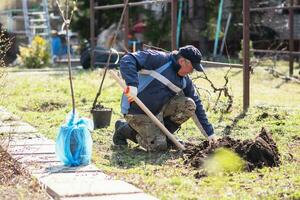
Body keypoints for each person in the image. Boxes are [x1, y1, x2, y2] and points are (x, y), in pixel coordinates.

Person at [113, 45, 216, 151]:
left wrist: (209, 133)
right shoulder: (159, 59)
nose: (191, 72)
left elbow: (197, 104)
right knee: (159, 146)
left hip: (159, 113)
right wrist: (132, 85)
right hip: (136, 110)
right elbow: (128, 59)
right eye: (192, 68)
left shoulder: (184, 81)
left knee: (189, 105)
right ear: (182, 61)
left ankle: (165, 136)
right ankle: (123, 129)